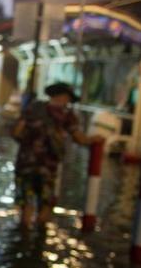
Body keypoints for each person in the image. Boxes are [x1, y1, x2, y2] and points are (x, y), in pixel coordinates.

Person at [12, 82, 103, 230]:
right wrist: (94, 140)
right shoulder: (65, 115)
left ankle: (24, 239)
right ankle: (39, 241)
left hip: (25, 164)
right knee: (46, 204)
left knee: (26, 204)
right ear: (63, 96)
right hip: (48, 167)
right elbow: (79, 138)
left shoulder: (34, 108)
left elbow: (16, 132)